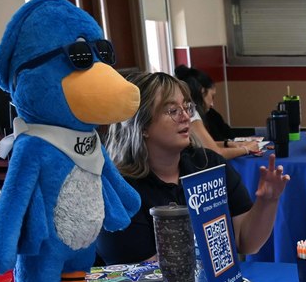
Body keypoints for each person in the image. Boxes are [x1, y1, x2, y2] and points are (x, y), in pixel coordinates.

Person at [99, 71, 289, 265]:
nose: (185, 117)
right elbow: (144, 274)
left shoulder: (209, 164)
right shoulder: (120, 190)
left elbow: (246, 243)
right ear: (142, 126)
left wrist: (267, 201)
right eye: (172, 110)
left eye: (187, 107)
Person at [173, 65, 262, 160]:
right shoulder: (192, 114)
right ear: (202, 92)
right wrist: (246, 149)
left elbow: (202, 145)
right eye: (212, 96)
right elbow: (215, 153)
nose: (212, 104)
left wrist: (228, 144)